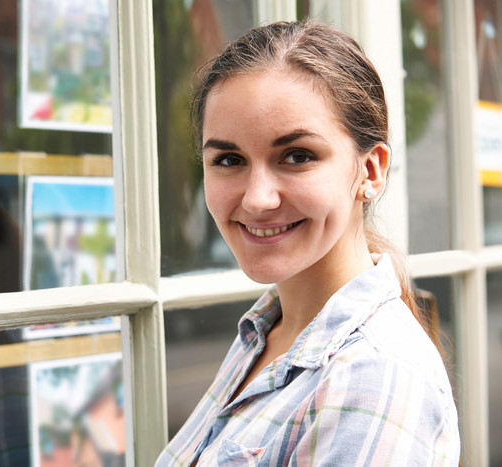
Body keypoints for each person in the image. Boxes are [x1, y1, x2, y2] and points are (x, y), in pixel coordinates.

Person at [156, 20, 460, 466]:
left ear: (370, 171)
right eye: (228, 159)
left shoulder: (373, 376)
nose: (257, 199)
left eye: (297, 156)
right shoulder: (267, 333)